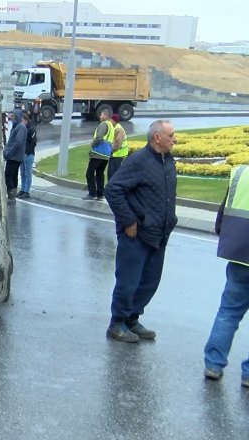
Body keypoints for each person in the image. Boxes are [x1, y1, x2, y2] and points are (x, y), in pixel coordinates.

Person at [103, 119, 177, 343]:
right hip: (136, 235)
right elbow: (113, 189)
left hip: (159, 234)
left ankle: (132, 319)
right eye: (171, 135)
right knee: (128, 281)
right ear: (157, 137)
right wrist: (128, 220)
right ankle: (117, 324)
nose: (175, 139)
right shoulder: (139, 161)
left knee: (149, 283)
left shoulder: (168, 161)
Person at [202, 165, 249, 388]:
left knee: (228, 312)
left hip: (240, 256)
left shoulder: (241, 173)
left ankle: (213, 364)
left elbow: (222, 215)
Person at [84, 109, 113, 201]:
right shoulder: (111, 125)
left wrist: (92, 144)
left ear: (106, 115)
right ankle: (100, 194)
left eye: (101, 114)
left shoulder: (103, 124)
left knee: (89, 173)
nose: (100, 116)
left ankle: (92, 193)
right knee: (100, 173)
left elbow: (99, 137)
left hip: (98, 153)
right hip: (106, 154)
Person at [3, 110, 27, 204]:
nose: (11, 118)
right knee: (13, 175)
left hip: (14, 156)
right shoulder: (18, 126)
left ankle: (11, 197)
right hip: (14, 156)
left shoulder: (21, 127)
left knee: (8, 175)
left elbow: (17, 143)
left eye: (13, 116)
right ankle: (12, 196)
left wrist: (9, 153)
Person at [17, 116, 37, 199]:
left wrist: (27, 152)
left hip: (29, 154)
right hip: (22, 154)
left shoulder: (31, 129)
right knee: (22, 173)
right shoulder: (23, 129)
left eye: (22, 121)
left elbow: (33, 143)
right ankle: (22, 189)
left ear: (25, 120)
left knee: (27, 173)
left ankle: (27, 191)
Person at [108, 113, 128, 181]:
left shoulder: (119, 129)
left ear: (114, 120)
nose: (110, 121)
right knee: (110, 174)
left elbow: (117, 143)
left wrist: (110, 151)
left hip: (118, 155)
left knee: (113, 175)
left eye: (111, 120)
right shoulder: (116, 128)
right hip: (115, 155)